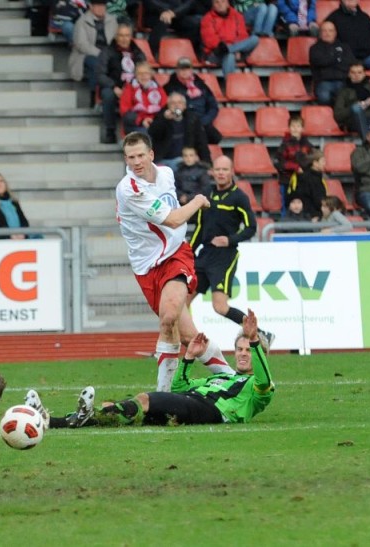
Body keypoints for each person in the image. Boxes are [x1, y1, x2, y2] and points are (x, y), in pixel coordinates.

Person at [116, 132, 235, 392]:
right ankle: (232, 377)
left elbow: (173, 222)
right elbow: (173, 219)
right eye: (130, 157)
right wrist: (198, 200)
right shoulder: (129, 188)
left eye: (140, 155)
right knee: (189, 335)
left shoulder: (167, 174)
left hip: (176, 254)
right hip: (146, 266)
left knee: (168, 316)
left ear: (151, 155)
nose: (136, 162)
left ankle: (162, 394)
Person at [27, 310, 273, 429]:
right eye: (239, 349)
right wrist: (187, 357)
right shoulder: (221, 377)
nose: (242, 353)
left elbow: (263, 377)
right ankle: (52, 421)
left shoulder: (259, 389)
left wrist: (254, 340)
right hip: (191, 402)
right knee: (126, 413)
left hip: (211, 411)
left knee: (146, 399)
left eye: (247, 350)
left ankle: (71, 419)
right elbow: (179, 387)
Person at [188, 156, 275, 346]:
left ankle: (261, 334)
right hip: (205, 255)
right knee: (181, 303)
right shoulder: (206, 194)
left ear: (231, 172)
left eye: (224, 169)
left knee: (219, 306)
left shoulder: (239, 197)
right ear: (212, 171)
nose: (220, 173)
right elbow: (200, 227)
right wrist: (189, 251)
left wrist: (229, 240)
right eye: (217, 169)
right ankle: (180, 344)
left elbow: (251, 227)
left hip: (225, 256)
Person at [95, 22, 146, 144]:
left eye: (127, 35)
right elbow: (100, 75)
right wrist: (114, 87)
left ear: (131, 36)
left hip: (134, 87)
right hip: (114, 87)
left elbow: (145, 71)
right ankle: (110, 131)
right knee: (108, 95)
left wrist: (132, 88)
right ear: (116, 37)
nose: (124, 39)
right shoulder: (107, 51)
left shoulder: (138, 52)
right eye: (121, 36)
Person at [162, 57, 222, 145]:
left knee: (216, 137)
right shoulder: (169, 87)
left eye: (187, 68)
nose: (185, 71)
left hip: (202, 122)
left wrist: (204, 121)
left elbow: (213, 107)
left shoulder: (201, 85)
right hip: (182, 123)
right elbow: (165, 108)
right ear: (177, 70)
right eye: (182, 69)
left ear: (191, 70)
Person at [68, 0, 117, 103]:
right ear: (91, 7)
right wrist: (101, 54)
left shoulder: (112, 20)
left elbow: (115, 40)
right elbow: (82, 45)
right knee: (96, 63)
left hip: (108, 54)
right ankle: (94, 96)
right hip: (86, 55)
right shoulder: (82, 22)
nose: (101, 8)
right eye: (98, 6)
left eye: (103, 5)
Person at [148, 92, 211, 172]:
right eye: (173, 103)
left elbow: (201, 142)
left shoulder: (192, 119)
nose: (176, 105)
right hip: (162, 160)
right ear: (168, 106)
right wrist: (164, 119)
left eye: (179, 103)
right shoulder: (161, 117)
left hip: (184, 160)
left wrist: (207, 164)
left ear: (184, 106)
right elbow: (153, 133)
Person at [200, 0, 259, 76]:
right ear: (213, 5)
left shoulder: (237, 16)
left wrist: (234, 49)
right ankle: (230, 85)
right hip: (215, 53)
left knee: (255, 39)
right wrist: (228, 48)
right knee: (230, 55)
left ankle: (230, 50)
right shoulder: (207, 18)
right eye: (217, 2)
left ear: (228, 4)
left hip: (236, 51)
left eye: (223, 2)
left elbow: (242, 34)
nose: (220, 5)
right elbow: (209, 40)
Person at [309, 21, 356, 105]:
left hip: (342, 81)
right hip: (323, 82)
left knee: (348, 97)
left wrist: (331, 60)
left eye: (330, 31)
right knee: (324, 97)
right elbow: (321, 62)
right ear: (320, 33)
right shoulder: (314, 48)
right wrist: (337, 58)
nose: (328, 33)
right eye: (324, 31)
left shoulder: (345, 47)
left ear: (335, 33)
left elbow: (350, 62)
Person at [274, 115, 314, 208]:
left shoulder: (307, 144)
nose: (295, 129)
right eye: (293, 126)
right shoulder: (284, 144)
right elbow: (278, 163)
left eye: (298, 126)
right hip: (287, 181)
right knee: (287, 206)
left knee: (303, 206)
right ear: (289, 128)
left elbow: (312, 158)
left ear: (302, 128)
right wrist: (295, 167)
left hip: (303, 181)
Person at [141, 0, 206, 56]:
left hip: (176, 14)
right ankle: (153, 54)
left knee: (198, 22)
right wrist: (166, 11)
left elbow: (189, 3)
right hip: (156, 14)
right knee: (164, 20)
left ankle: (192, 54)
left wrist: (173, 13)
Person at [119, 62, 167, 136]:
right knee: (146, 134)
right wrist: (142, 120)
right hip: (136, 124)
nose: (143, 76)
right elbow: (125, 112)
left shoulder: (158, 88)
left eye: (146, 73)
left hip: (155, 121)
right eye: (140, 73)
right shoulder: (129, 88)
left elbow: (164, 107)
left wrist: (154, 120)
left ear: (151, 75)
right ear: (136, 76)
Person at [286, 150, 328, 220]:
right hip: (312, 217)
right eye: (323, 161)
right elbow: (317, 200)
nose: (325, 163)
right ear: (315, 163)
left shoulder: (313, 177)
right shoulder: (311, 179)